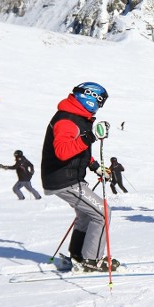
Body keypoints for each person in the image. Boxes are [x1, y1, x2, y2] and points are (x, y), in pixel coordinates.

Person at [41, 82, 118, 272]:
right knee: (103, 214)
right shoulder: (67, 120)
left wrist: (94, 166)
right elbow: (62, 152)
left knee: (86, 215)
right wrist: (88, 137)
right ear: (90, 98)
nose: (99, 106)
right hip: (65, 180)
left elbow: (77, 149)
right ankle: (92, 260)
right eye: (100, 102)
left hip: (67, 178)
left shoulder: (77, 118)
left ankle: (77, 255)